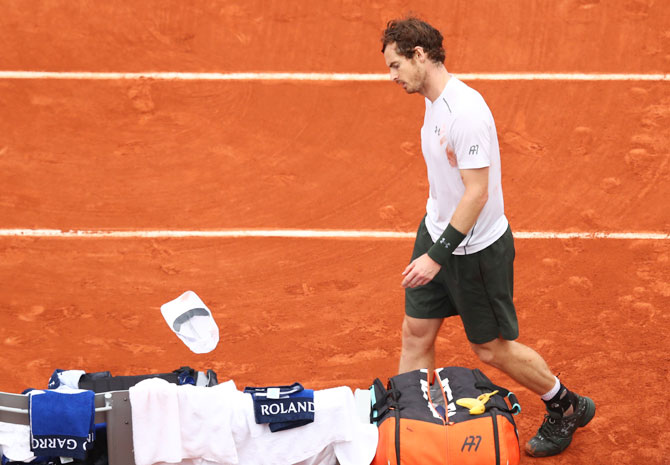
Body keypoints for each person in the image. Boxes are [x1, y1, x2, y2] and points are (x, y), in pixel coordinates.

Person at [380, 17, 595, 457]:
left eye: (396, 65)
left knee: (491, 349)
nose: (392, 76)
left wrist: (436, 256)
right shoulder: (433, 100)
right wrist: (434, 236)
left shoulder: (467, 114)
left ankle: (566, 404)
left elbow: (477, 194)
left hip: (473, 251)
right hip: (438, 232)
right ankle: (411, 432)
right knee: (416, 332)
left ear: (420, 55)